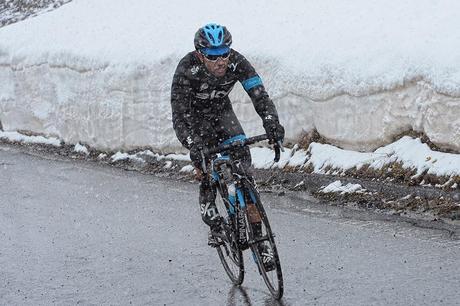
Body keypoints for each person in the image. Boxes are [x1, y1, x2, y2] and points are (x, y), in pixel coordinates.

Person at [170, 23, 284, 269]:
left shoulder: (237, 62)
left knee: (246, 177)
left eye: (225, 53)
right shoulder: (186, 69)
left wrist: (272, 123)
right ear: (201, 55)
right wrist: (192, 145)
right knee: (206, 170)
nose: (221, 61)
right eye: (213, 56)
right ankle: (214, 224)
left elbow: (259, 94)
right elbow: (179, 115)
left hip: (223, 116)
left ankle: (260, 243)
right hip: (195, 120)